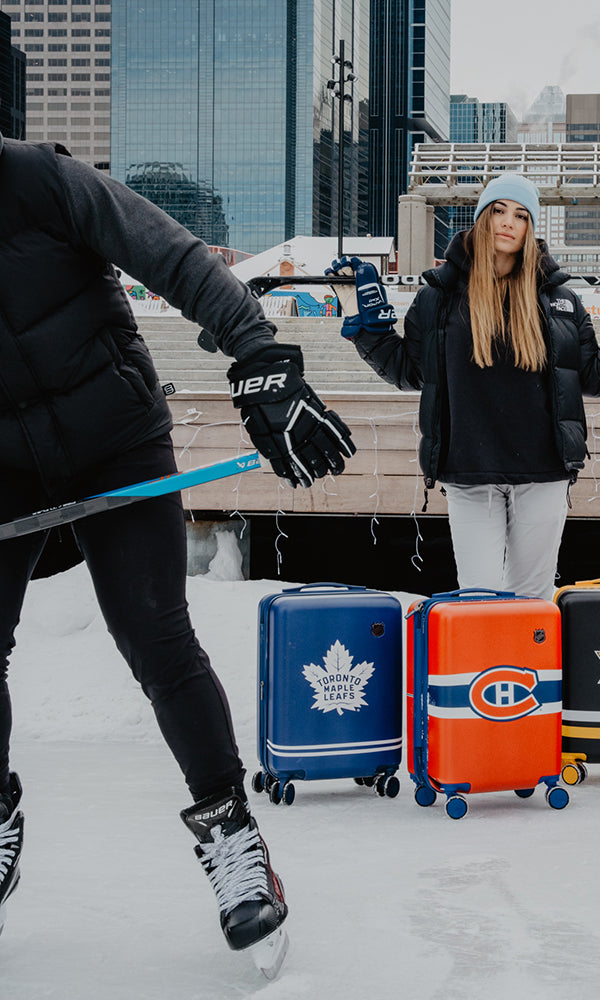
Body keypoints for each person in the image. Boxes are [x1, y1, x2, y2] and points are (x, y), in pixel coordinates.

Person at [0, 132, 355, 976]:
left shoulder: (39, 180)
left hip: (114, 440)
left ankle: (232, 835)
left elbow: (173, 256)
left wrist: (260, 356)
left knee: (155, 635)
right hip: (5, 468)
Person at [328, 172, 600, 598]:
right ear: (481, 218)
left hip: (543, 473)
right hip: (468, 471)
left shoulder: (559, 300)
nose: (508, 222)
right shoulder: (438, 296)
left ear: (531, 228)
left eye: (521, 215)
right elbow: (409, 371)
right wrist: (365, 326)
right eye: (498, 211)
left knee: (532, 599)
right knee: (479, 598)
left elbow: (597, 377)